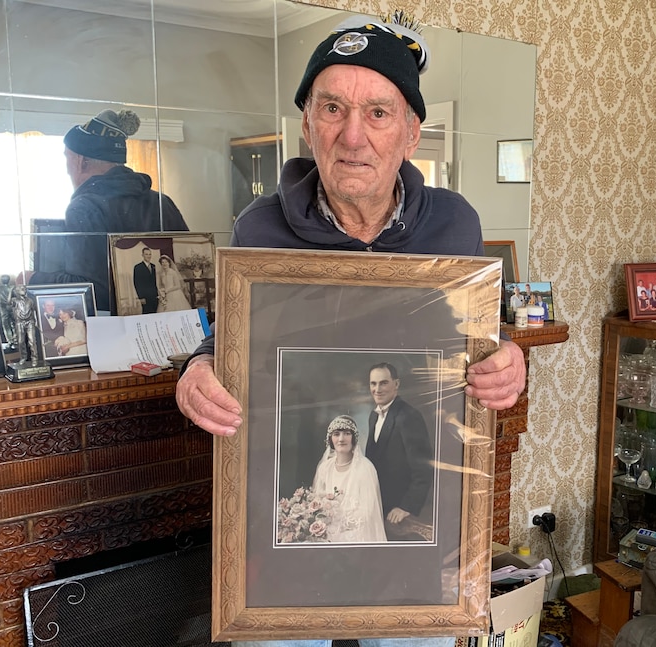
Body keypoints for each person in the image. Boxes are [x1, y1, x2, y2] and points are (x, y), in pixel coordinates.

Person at [175, 13, 525, 647]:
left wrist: (510, 359)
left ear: (412, 132)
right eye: (331, 108)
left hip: (424, 549)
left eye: (379, 113)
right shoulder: (259, 228)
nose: (352, 136)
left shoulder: (454, 226)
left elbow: (480, 340)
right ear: (307, 123)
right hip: (282, 556)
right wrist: (197, 370)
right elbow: (231, 337)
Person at [24, 109, 189, 312]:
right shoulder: (163, 202)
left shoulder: (84, 208)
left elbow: (92, 290)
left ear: (80, 161)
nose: (67, 169)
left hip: (113, 334)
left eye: (67, 158)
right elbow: (186, 269)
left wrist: (34, 279)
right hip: (168, 329)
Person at [364, 363, 432, 537]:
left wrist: (406, 507)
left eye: (383, 383)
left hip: (399, 512)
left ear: (396, 384)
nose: (377, 389)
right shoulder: (374, 416)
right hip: (378, 506)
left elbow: (423, 467)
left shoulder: (409, 416)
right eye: (373, 384)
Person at [311, 415, 386, 543]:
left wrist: (337, 523)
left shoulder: (365, 468)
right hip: (327, 529)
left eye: (346, 433)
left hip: (356, 532)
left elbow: (367, 513)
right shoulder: (325, 467)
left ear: (354, 438)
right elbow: (316, 500)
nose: (341, 439)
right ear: (330, 439)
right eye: (336, 434)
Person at [9, 285, 39, 364]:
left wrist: (37, 322)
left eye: (24, 289)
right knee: (20, 341)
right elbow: (8, 302)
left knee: (32, 341)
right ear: (17, 291)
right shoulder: (15, 300)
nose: (23, 290)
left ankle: (35, 358)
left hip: (30, 322)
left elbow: (34, 311)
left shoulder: (30, 300)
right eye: (21, 289)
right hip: (19, 322)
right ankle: (23, 357)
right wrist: (10, 291)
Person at [133, 247, 159, 314]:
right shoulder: (138, 267)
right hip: (145, 297)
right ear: (142, 255)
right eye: (146, 254)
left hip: (154, 296)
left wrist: (157, 294)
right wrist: (141, 297)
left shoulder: (154, 266)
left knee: (155, 313)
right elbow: (137, 283)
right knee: (147, 314)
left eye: (150, 254)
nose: (148, 256)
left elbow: (155, 282)